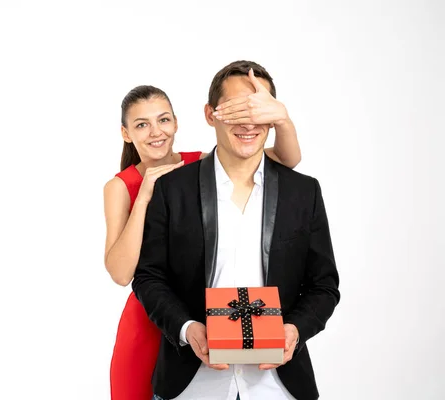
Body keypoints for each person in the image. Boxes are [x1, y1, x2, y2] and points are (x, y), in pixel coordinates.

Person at [132, 60, 340, 400]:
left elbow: (324, 285)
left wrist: (294, 330)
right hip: (190, 383)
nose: (249, 124)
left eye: (258, 111)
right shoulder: (172, 189)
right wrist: (187, 330)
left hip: (278, 384)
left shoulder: (304, 192)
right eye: (236, 111)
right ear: (210, 114)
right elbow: (148, 277)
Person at [104, 78, 303, 400]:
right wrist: (144, 196)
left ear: (176, 123)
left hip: (203, 311)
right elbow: (120, 273)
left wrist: (281, 118)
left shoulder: (201, 164)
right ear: (126, 134)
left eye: (163, 120)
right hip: (148, 320)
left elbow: (286, 160)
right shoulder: (120, 186)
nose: (156, 132)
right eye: (142, 125)